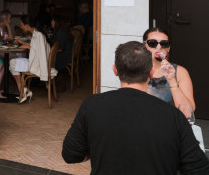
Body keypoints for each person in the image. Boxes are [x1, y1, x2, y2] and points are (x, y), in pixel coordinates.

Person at [62, 41, 209, 174]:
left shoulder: (91, 105)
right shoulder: (173, 116)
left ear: (115, 71)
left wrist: (95, 148)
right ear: (151, 72)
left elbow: (70, 155)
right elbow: (199, 169)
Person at [143, 27, 195, 118]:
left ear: (169, 48)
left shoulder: (180, 72)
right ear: (144, 46)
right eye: (152, 43)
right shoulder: (136, 69)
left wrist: (172, 80)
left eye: (164, 44)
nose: (159, 47)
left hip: (170, 123)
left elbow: (189, 112)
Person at [9, 15, 51, 103]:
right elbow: (38, 48)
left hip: (37, 64)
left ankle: (23, 91)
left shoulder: (38, 35)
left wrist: (28, 47)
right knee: (12, 63)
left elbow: (40, 53)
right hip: (36, 61)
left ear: (27, 25)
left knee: (12, 63)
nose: (21, 27)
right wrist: (24, 43)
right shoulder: (37, 33)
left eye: (21, 25)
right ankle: (25, 90)